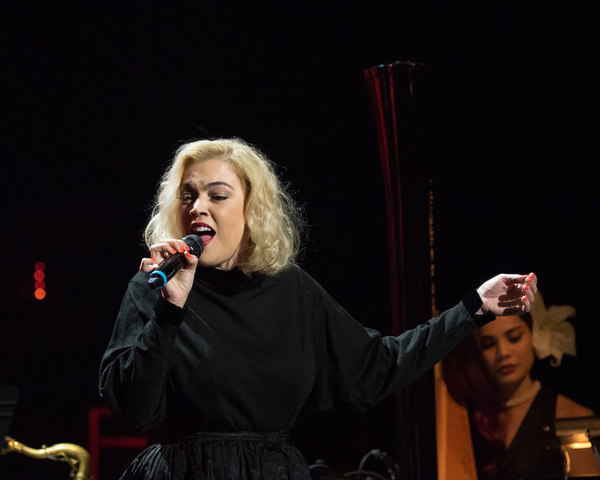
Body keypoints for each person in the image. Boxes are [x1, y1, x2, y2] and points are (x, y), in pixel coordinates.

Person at [99, 137, 537, 480]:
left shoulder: (292, 290)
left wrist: (473, 308)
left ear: (251, 210)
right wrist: (169, 310)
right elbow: (134, 409)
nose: (199, 207)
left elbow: (377, 368)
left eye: (218, 195)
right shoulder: (153, 286)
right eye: (188, 195)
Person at [442, 292, 596, 480]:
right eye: (488, 344)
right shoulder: (470, 418)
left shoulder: (572, 417)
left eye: (514, 337)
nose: (503, 352)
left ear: (533, 335)